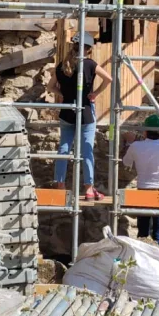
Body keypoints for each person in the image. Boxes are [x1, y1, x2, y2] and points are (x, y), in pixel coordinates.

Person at [48, 32, 111, 200]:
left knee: (64, 148)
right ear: (89, 49)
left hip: (67, 112)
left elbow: (50, 86)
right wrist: (95, 93)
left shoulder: (63, 65)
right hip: (86, 113)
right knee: (87, 150)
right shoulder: (90, 64)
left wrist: (62, 94)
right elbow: (109, 79)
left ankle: (60, 185)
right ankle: (89, 188)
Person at [123, 114, 159, 247]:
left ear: (145, 131)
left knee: (142, 234)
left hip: (143, 193)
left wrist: (130, 143)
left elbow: (126, 162)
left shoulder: (135, 146)